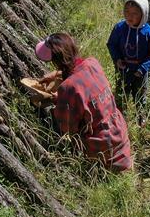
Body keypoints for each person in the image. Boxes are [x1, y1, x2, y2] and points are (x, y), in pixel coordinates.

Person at [35, 32, 133, 171]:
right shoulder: (93, 63)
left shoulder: (68, 88)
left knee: (51, 117)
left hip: (102, 145)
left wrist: (57, 101)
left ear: (57, 61)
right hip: (120, 133)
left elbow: (68, 128)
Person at [107, 0, 150, 125]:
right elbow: (111, 44)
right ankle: (119, 118)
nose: (130, 16)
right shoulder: (120, 28)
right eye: (127, 12)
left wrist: (142, 69)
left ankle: (140, 116)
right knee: (121, 93)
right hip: (123, 68)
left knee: (140, 95)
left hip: (140, 72)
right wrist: (117, 59)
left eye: (135, 13)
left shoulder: (149, 33)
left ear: (144, 14)